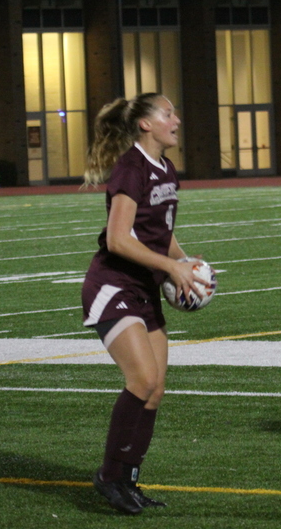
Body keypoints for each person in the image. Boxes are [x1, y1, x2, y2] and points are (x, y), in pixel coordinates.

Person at [81, 93, 208, 514]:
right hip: (114, 285)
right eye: (167, 113)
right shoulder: (131, 168)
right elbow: (118, 239)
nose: (176, 119)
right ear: (145, 124)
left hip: (144, 287)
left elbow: (159, 232)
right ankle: (109, 476)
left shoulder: (166, 168)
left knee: (154, 391)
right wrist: (170, 269)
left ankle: (128, 479)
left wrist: (184, 262)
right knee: (142, 379)